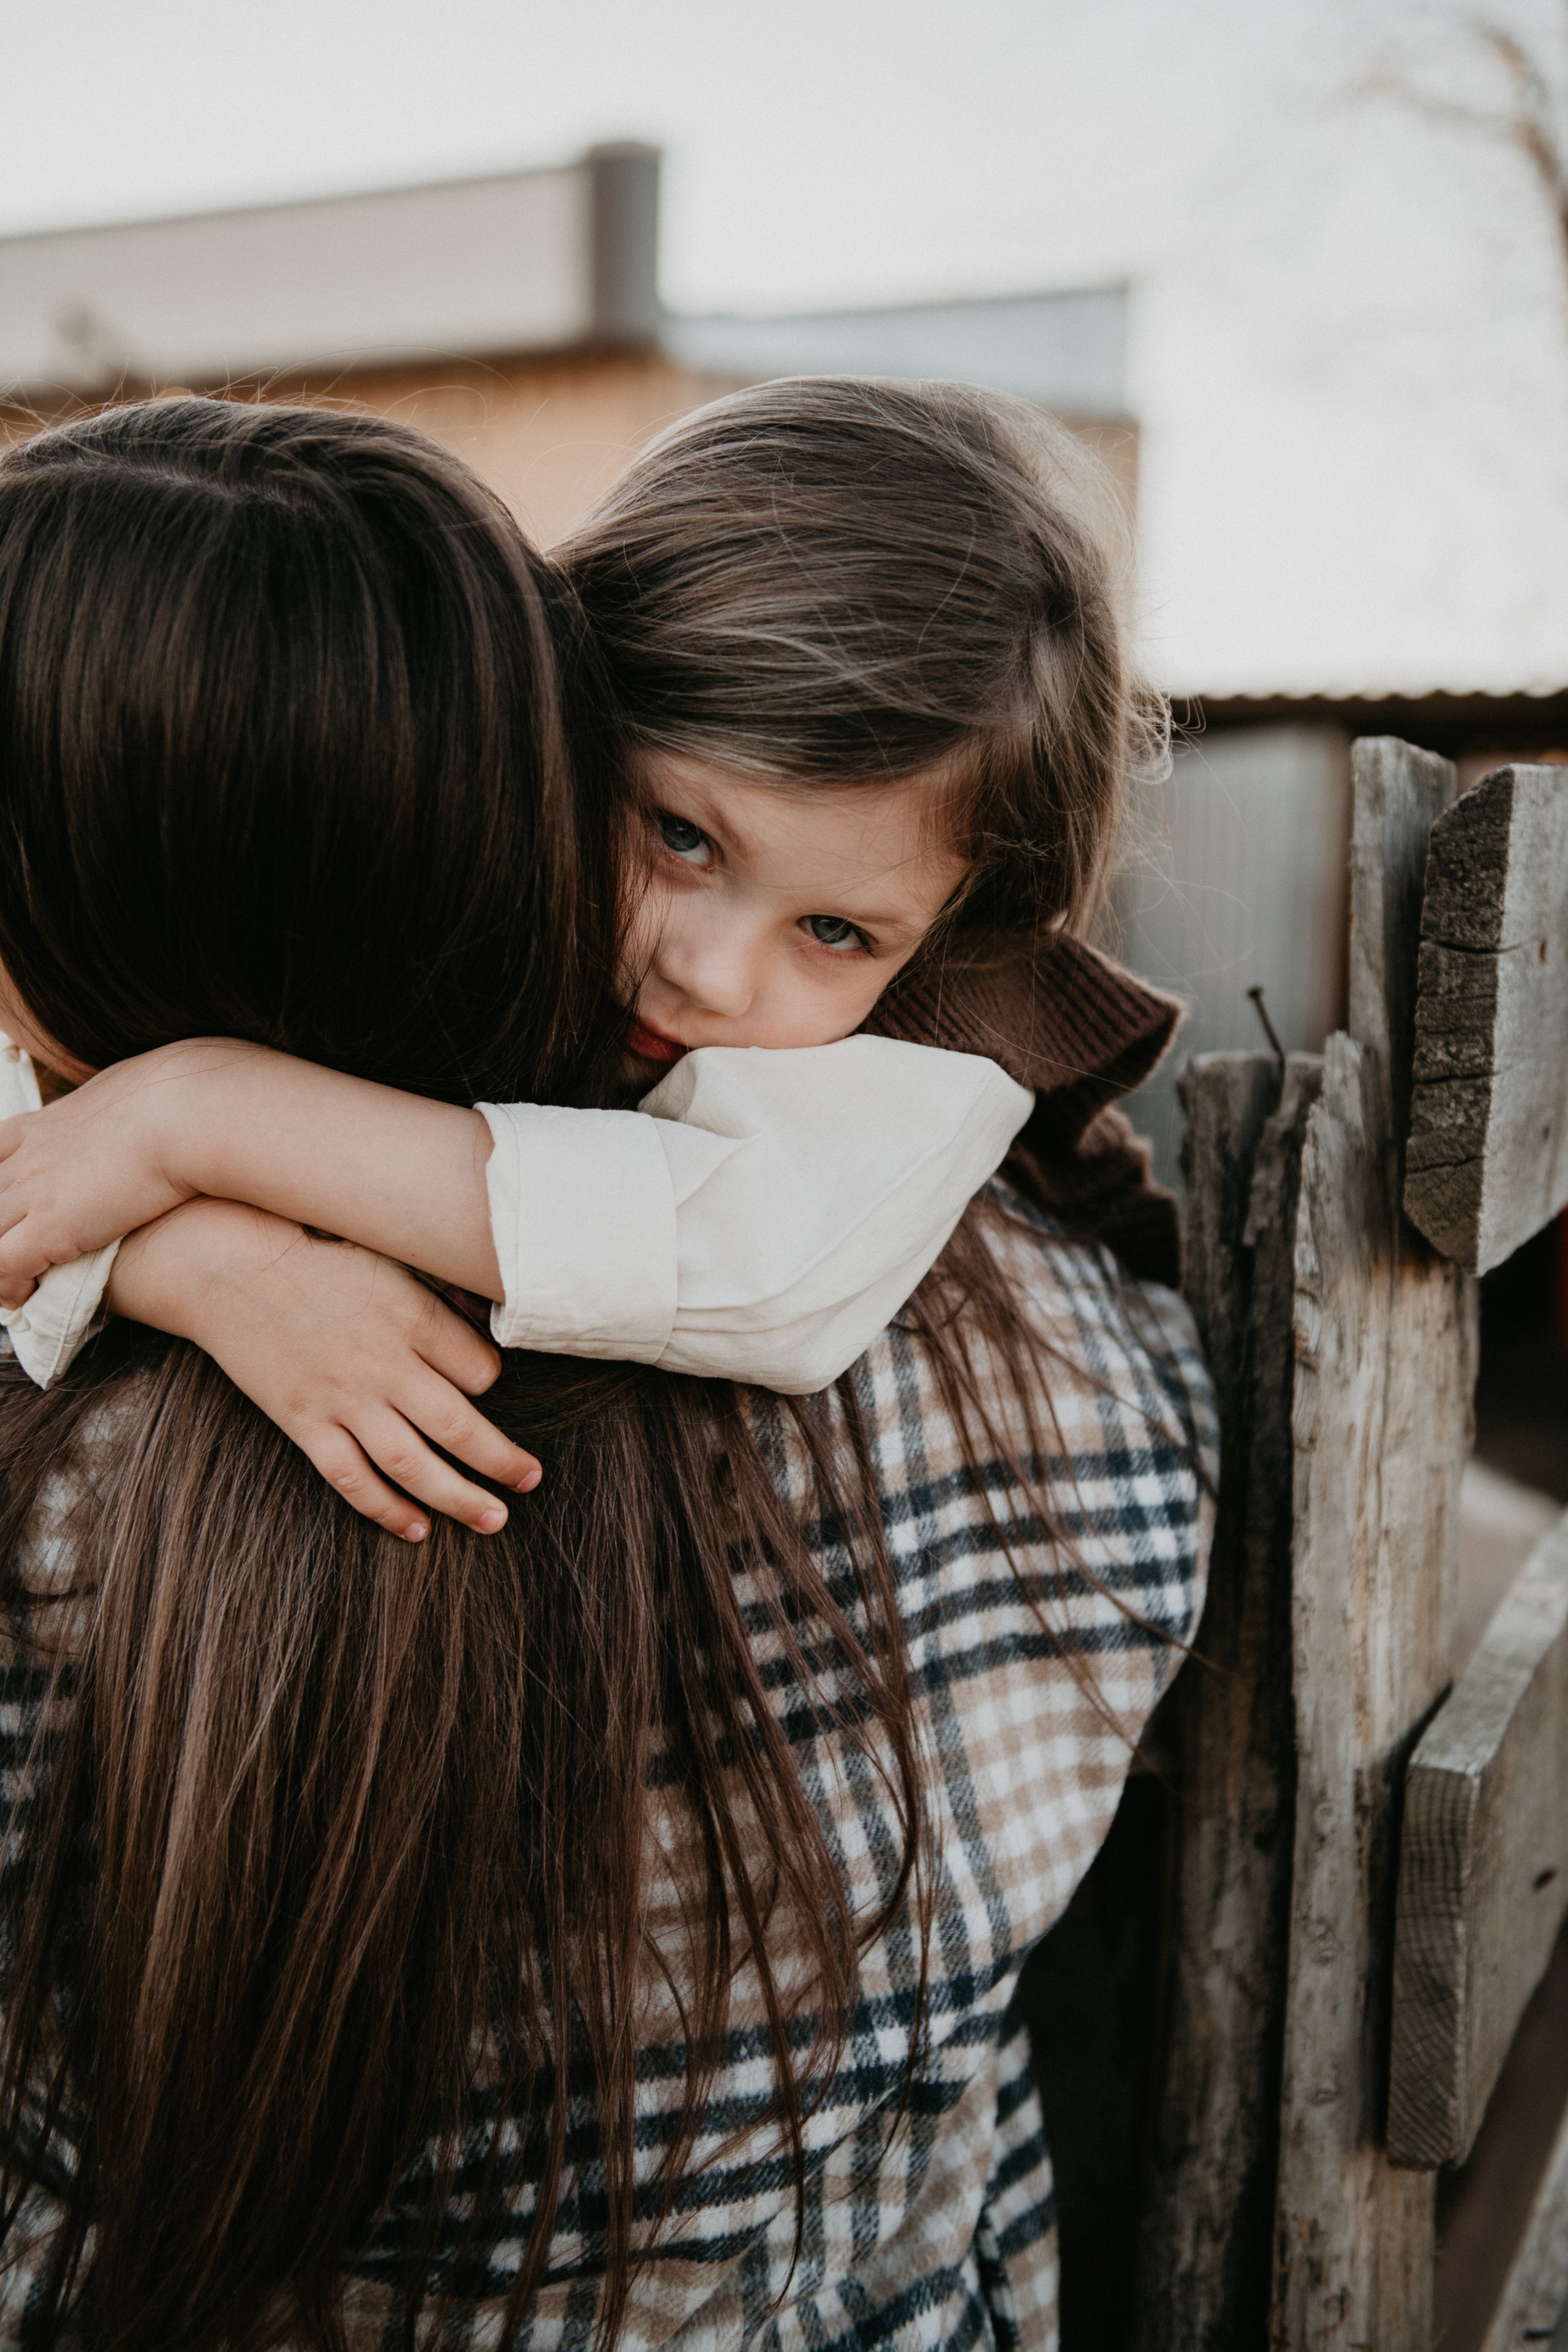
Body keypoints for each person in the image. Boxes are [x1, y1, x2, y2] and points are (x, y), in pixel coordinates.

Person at [0, 390, 1213, 2352]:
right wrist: (194, 1253)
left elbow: (745, 1259)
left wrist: (196, 1116)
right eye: (676, 833)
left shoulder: (912, 1076)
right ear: (546, 710)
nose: (712, 975)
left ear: (946, 940)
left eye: (836, 928)